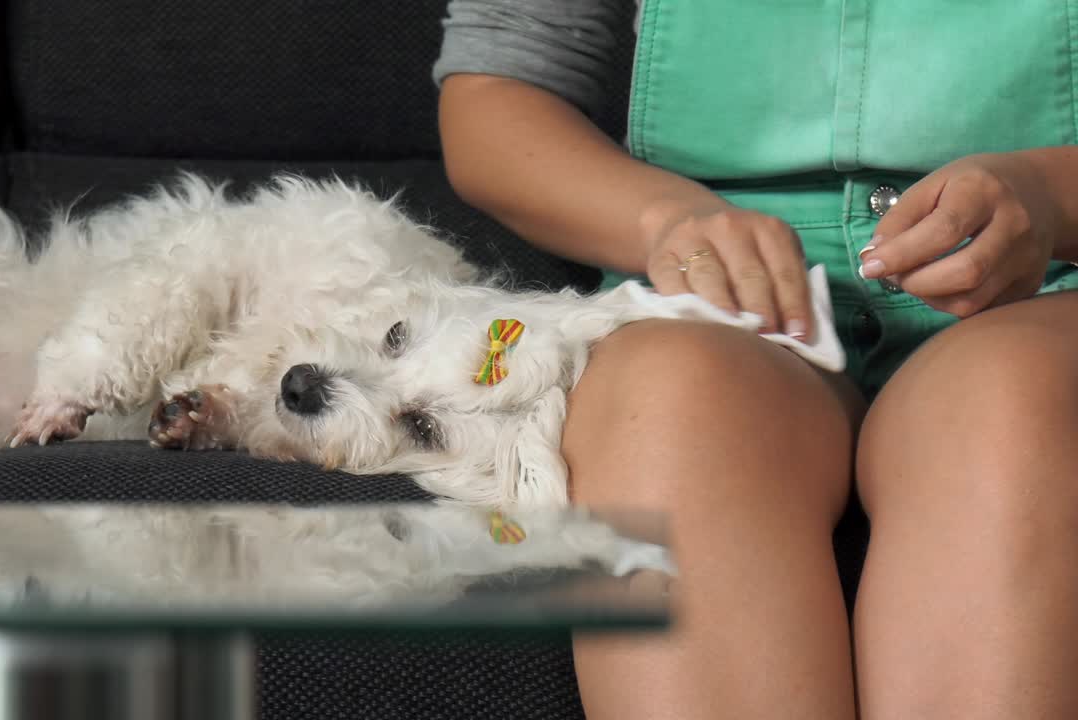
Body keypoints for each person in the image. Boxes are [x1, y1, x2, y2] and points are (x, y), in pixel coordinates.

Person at [434, 2, 1078, 718]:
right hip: (712, 288)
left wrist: (1052, 195)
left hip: (1047, 283)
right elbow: (496, 95)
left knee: (1009, 406)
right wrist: (665, 221)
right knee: (669, 404)